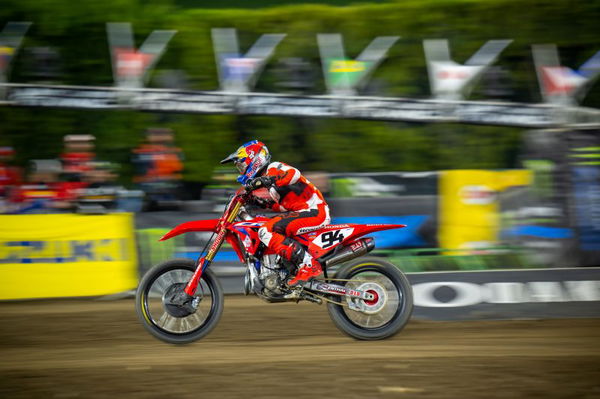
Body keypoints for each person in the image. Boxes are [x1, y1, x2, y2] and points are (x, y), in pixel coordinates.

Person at [221, 140, 330, 285]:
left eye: (241, 164)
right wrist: (256, 203)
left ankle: (309, 266)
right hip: (304, 212)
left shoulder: (274, 168)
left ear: (254, 160)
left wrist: (267, 179)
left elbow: (294, 174)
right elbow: (282, 207)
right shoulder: (272, 189)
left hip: (315, 211)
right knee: (265, 224)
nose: (240, 170)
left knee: (267, 231)